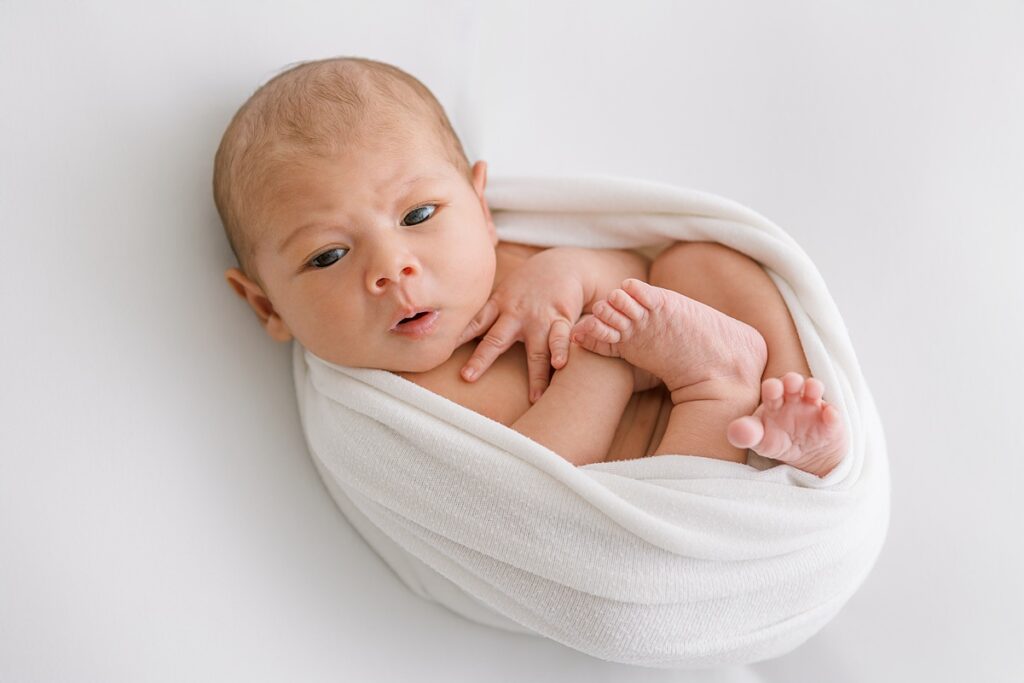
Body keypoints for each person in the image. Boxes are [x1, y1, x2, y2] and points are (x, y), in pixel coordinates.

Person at [213, 56, 846, 475]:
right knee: (692, 458)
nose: (393, 268)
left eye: (418, 216)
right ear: (268, 305)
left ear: (480, 206)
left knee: (700, 259)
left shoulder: (517, 259)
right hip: (671, 475)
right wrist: (605, 362)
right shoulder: (396, 406)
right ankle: (726, 391)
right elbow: (537, 486)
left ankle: (795, 413)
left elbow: (642, 273)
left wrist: (573, 270)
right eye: (328, 255)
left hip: (739, 411)